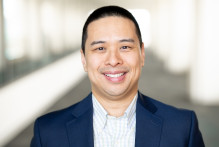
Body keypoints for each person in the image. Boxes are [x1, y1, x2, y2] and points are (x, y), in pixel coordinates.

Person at [31, 5, 205, 147]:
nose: (113, 60)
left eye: (125, 47)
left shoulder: (182, 127)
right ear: (84, 59)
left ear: (142, 54)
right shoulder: (48, 132)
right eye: (100, 48)